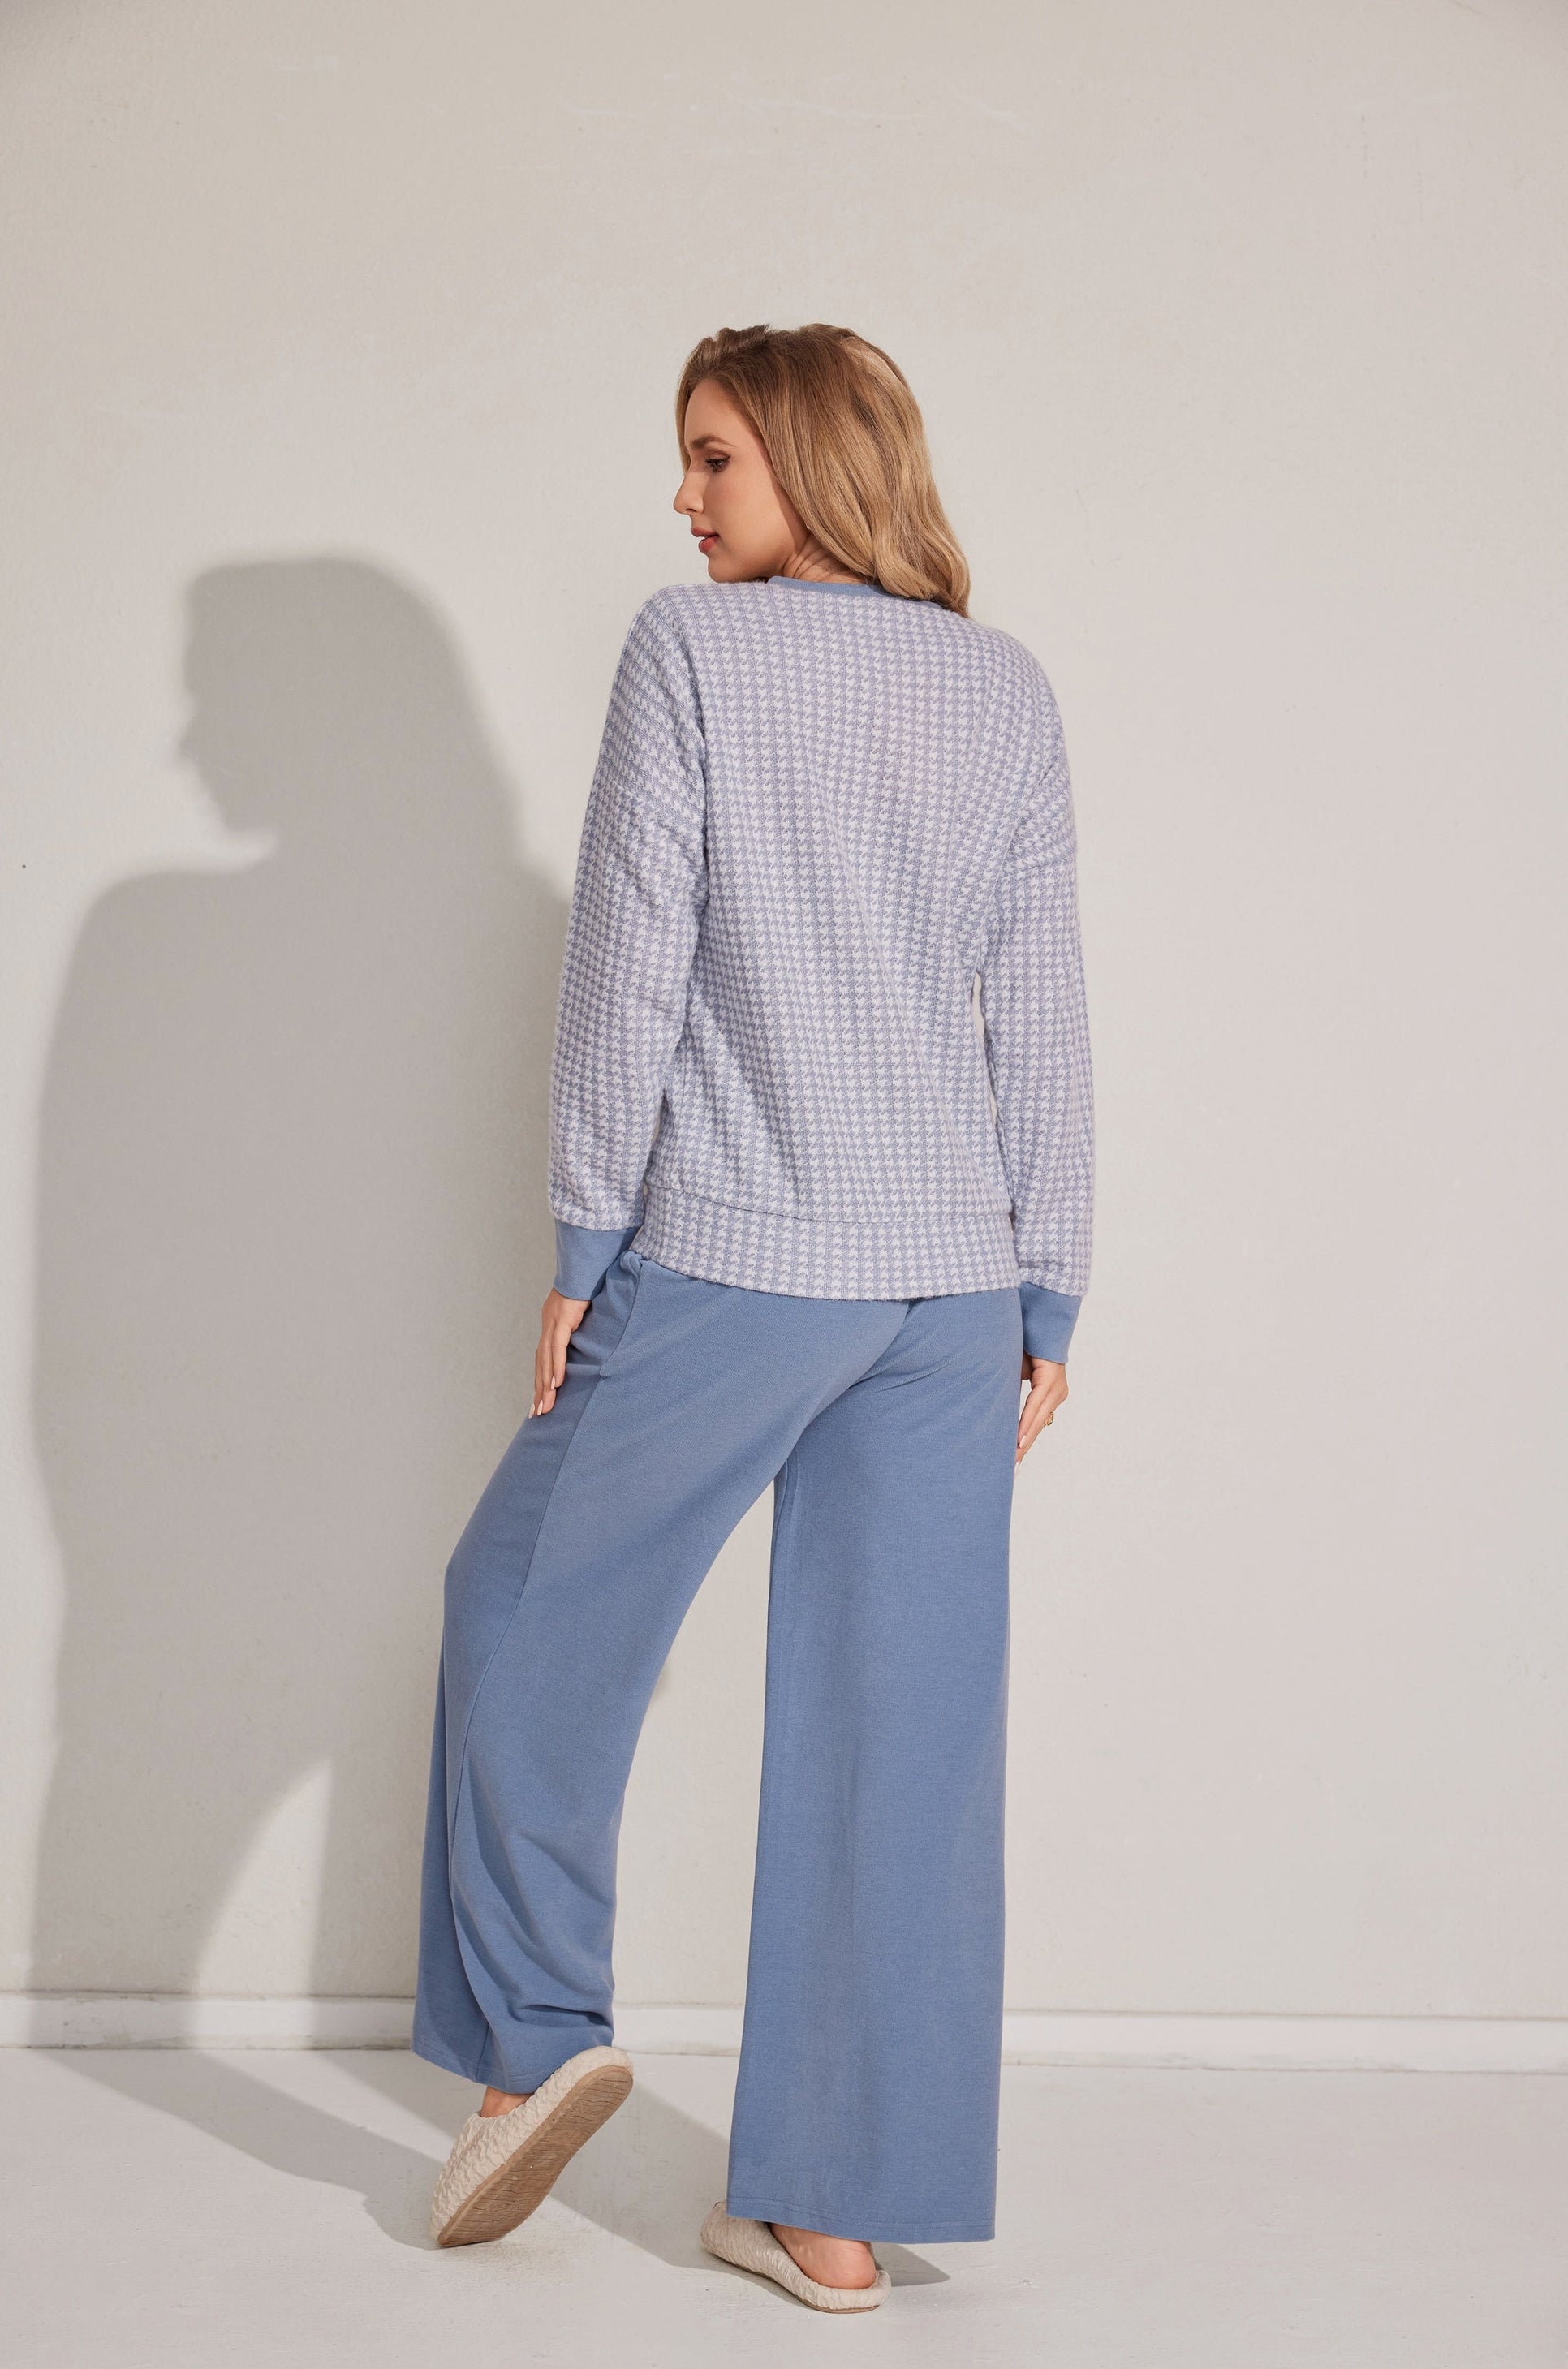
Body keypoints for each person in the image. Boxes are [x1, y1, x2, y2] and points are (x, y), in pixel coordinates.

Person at [411, 321, 1094, 2312]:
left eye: (714, 455)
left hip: (736, 1252)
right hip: (953, 1290)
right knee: (902, 1727)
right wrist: (1051, 1279)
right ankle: (833, 2211)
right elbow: (1043, 1002)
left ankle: (534, 2046)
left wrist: (580, 1240)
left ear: (809, 455)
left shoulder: (694, 649)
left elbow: (633, 957)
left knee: (521, 1608)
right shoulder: (1003, 684)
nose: (685, 496)